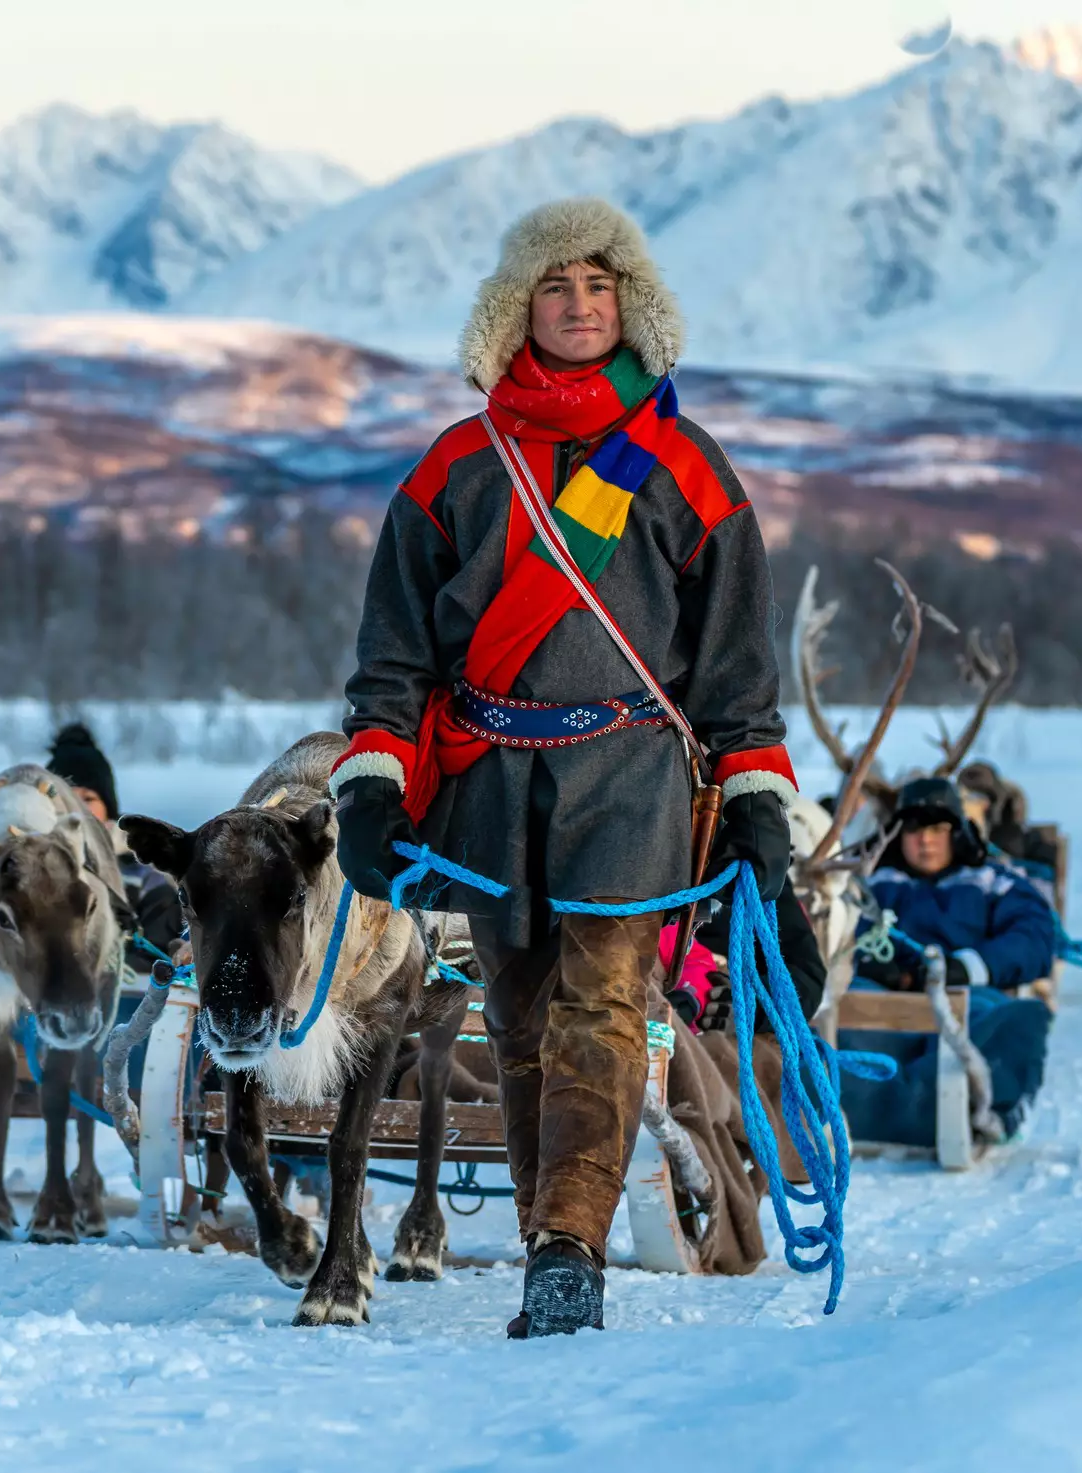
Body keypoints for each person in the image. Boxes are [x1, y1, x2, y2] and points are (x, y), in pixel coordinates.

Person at [327, 198, 798, 1337]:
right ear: (515, 310)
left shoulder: (684, 465)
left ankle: (566, 1249)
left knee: (603, 1009)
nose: (580, 306)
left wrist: (750, 795)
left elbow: (733, 660)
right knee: (522, 1017)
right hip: (490, 783)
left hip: (633, 780)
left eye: (599, 284)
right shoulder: (455, 468)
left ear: (630, 303)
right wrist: (373, 782)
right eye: (555, 286)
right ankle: (556, 1228)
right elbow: (394, 652)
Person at [841, 777, 1056, 1143]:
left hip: (969, 996)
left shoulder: (994, 880)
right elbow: (840, 935)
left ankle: (973, 1109)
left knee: (1020, 1019)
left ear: (957, 832)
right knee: (832, 1018)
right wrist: (867, 960)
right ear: (896, 834)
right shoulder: (872, 884)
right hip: (883, 999)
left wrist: (969, 966)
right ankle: (862, 1112)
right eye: (914, 830)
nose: (925, 840)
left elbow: (1034, 937)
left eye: (937, 829)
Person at [45, 723, 184, 970]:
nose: (77, 809)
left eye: (88, 799)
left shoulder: (147, 878)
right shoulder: (29, 873)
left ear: (108, 807)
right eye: (66, 798)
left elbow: (157, 958)